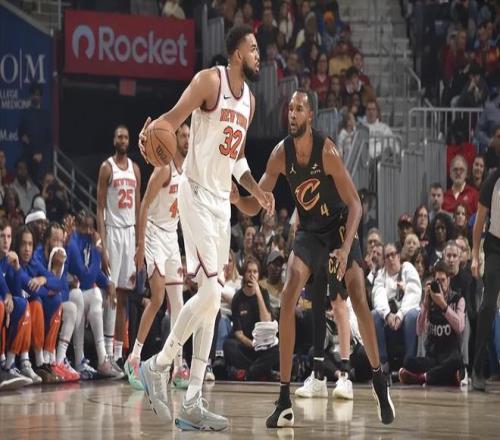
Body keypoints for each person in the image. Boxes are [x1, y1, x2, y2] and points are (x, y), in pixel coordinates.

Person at [137, 25, 273, 431]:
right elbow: (170, 121)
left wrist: (256, 190)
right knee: (212, 293)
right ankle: (158, 365)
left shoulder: (250, 101)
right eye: (253, 48)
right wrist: (151, 133)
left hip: (220, 206)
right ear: (236, 53)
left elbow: (237, 158)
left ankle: (193, 400)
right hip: (194, 194)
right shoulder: (209, 82)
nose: (258, 55)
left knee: (212, 303)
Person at [233, 91, 395, 427]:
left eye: (299, 109)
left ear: (310, 116)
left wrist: (345, 248)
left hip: (339, 228)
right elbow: (256, 202)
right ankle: (284, 400)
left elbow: (355, 205)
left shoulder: (327, 151)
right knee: (288, 295)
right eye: (290, 108)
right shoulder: (280, 154)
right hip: (310, 230)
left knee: (358, 298)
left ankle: (379, 379)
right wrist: (237, 199)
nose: (292, 114)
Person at [124, 123, 189, 391]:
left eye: (189, 136)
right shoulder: (163, 169)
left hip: (171, 236)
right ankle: (134, 358)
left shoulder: (189, 170)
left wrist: (188, 252)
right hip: (152, 233)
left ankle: (178, 366)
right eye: (182, 135)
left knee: (179, 304)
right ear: (173, 139)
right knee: (159, 297)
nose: (187, 140)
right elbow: (143, 206)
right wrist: (140, 245)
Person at [97, 124, 141, 371]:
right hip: (113, 232)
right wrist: (103, 244)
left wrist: (139, 243)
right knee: (111, 295)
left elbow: (139, 208)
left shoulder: (135, 169)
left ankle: (118, 354)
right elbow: (99, 208)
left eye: (126, 136)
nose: (123, 140)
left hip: (130, 233)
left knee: (124, 297)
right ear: (114, 140)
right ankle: (106, 356)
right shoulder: (107, 167)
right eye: (119, 136)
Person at [399, 260, 465, 386]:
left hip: (450, 356)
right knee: (408, 361)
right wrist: (425, 303)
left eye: (443, 280)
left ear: (449, 280)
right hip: (434, 357)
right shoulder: (429, 301)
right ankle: (447, 377)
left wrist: (443, 305)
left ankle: (421, 378)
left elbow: (460, 327)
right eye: (437, 281)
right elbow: (419, 330)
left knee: (456, 362)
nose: (440, 284)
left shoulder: (458, 299)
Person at [471, 140, 500, 391]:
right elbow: (479, 220)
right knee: (488, 305)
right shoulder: (493, 180)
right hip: (495, 247)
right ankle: (476, 369)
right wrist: (473, 254)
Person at [223, 256, 278, 380]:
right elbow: (238, 333)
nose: (252, 275)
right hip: (247, 345)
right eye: (249, 271)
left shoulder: (263, 293)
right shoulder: (237, 298)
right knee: (228, 346)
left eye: (255, 272)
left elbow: (266, 321)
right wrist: (252, 344)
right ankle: (260, 371)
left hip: (264, 345)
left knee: (278, 349)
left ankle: (251, 373)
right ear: (244, 274)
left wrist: (258, 292)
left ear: (258, 275)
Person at [371, 243, 420, 373]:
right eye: (387, 256)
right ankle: (383, 362)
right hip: (389, 318)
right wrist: (387, 315)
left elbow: (414, 293)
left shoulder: (407, 268)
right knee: (374, 314)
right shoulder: (381, 275)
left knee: (413, 315)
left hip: (405, 314)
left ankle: (409, 364)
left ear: (398, 256)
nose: (391, 258)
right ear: (384, 260)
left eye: (393, 254)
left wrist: (400, 315)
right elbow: (378, 295)